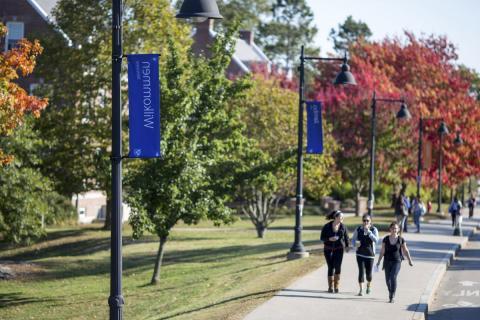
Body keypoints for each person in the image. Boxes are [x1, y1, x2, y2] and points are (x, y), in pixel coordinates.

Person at [376, 222, 413, 303]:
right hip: (387, 261)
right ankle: (390, 291)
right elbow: (382, 251)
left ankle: (392, 295)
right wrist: (379, 261)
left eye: (396, 228)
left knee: (393, 276)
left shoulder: (401, 239)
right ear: (390, 229)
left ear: (398, 230)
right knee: (387, 280)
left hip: (397, 261)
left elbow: (405, 250)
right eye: (393, 228)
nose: (394, 230)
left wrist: (410, 260)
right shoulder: (385, 239)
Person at [320, 210, 350, 293]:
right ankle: (330, 287)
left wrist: (347, 246)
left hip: (339, 249)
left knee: (337, 266)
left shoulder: (343, 227)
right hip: (328, 249)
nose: (342, 218)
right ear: (336, 217)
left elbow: (346, 238)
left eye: (343, 217)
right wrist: (329, 239)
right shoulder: (327, 226)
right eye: (341, 217)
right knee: (330, 267)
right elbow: (322, 238)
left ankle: (336, 286)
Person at [351, 214, 379, 296]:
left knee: (369, 274)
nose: (366, 222)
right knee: (361, 272)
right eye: (364, 220)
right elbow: (353, 240)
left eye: (367, 220)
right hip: (360, 254)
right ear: (362, 221)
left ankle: (369, 285)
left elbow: (376, 240)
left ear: (370, 221)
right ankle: (361, 290)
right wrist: (354, 244)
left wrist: (369, 232)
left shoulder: (374, 229)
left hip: (370, 255)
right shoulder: (358, 229)